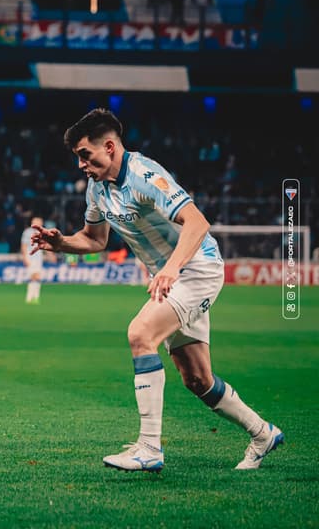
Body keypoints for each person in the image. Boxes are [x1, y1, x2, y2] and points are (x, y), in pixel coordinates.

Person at [32, 108, 283, 472]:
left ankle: (149, 448)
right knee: (197, 379)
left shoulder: (145, 175)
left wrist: (170, 268)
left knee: (140, 333)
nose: (81, 165)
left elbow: (196, 222)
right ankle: (263, 433)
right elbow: (94, 239)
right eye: (78, 158)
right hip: (173, 276)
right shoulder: (97, 189)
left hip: (197, 269)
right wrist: (61, 243)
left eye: (85, 155)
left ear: (109, 146)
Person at [20, 215, 46, 303]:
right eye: (36, 222)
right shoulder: (27, 232)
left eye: (40, 222)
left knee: (38, 277)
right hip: (30, 257)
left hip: (39, 257)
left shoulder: (43, 233)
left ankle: (35, 297)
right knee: (33, 277)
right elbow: (23, 245)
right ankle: (30, 297)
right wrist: (25, 258)